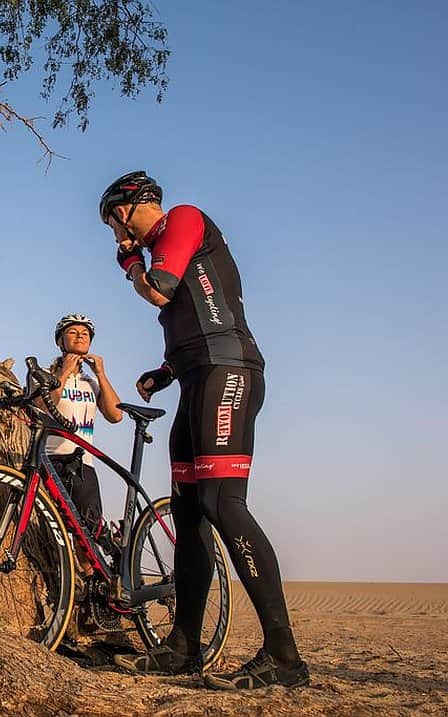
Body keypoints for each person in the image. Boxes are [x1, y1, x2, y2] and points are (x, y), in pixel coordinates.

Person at [100, 171, 309, 689]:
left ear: (128, 208)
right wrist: (166, 372)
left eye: (113, 224)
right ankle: (183, 647)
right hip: (198, 377)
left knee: (222, 503)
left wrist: (130, 262)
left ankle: (284, 657)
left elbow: (161, 291)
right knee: (190, 511)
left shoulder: (184, 219)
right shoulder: (170, 240)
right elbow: (195, 312)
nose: (116, 236)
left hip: (228, 373)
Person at [45, 314, 124, 554]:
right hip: (51, 460)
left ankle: (95, 583)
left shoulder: (91, 382)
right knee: (52, 534)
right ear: (60, 341)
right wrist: (65, 371)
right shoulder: (45, 376)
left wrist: (100, 373)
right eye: (73, 332)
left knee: (87, 539)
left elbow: (115, 415)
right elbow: (43, 403)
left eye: (85, 333)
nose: (80, 335)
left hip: (83, 464)